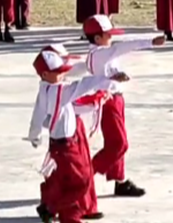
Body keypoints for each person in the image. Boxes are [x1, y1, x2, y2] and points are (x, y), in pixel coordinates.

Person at [27, 47, 130, 222]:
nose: (61, 75)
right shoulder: (58, 91)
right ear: (45, 74)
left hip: (58, 145)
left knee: (64, 182)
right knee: (80, 183)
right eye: (57, 72)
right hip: (66, 147)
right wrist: (107, 78)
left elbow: (38, 117)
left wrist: (35, 136)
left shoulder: (44, 90)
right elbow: (82, 85)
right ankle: (50, 208)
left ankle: (62, 213)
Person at [82, 14, 165, 199]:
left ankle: (120, 181)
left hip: (115, 98)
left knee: (115, 142)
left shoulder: (101, 52)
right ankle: (84, 174)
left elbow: (105, 72)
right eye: (108, 34)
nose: (111, 37)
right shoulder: (100, 53)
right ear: (97, 38)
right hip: (108, 101)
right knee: (119, 144)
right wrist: (150, 41)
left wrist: (116, 76)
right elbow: (125, 46)